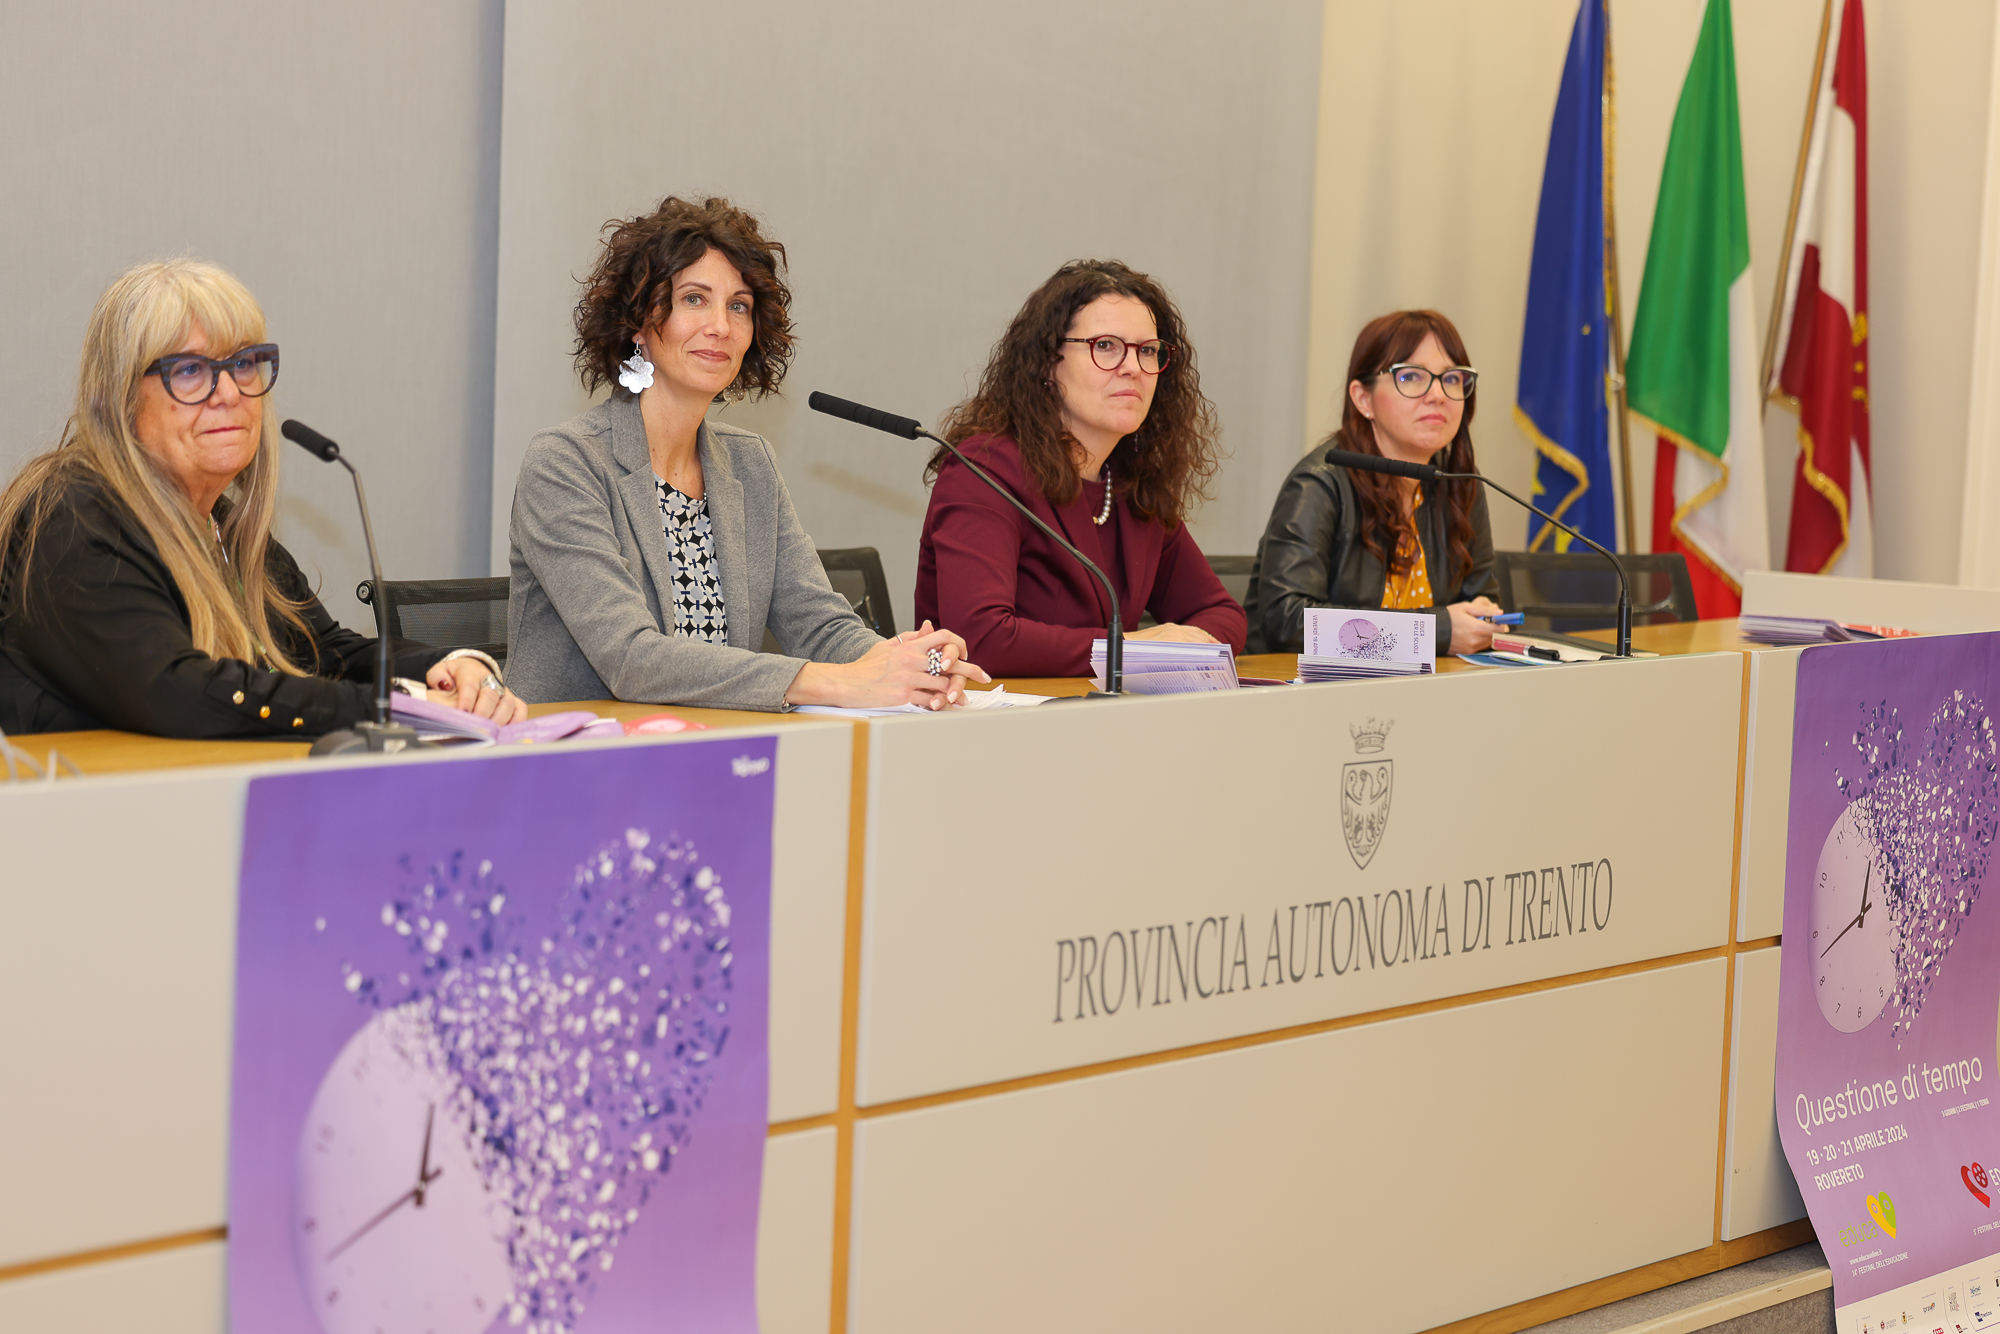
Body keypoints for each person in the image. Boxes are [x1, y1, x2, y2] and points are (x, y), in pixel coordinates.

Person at [0, 260, 524, 738]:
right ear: (119, 399)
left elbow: (325, 653)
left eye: (244, 363)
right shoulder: (70, 518)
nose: (229, 393)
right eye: (189, 370)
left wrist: (452, 667)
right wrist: (401, 705)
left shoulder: (221, 523)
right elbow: (178, 694)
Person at [507, 196, 986, 711]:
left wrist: (905, 665)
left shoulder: (750, 463)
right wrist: (839, 683)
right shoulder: (566, 462)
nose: (721, 325)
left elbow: (818, 626)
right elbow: (631, 659)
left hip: (720, 742)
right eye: (694, 299)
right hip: (581, 750)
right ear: (639, 322)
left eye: (739, 305)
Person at [915, 259, 1245, 677]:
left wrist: (1174, 646)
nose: (1132, 367)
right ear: (1047, 362)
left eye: (1147, 350)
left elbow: (1222, 614)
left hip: (1095, 710)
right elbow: (981, 640)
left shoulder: (1130, 485)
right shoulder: (985, 470)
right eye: (1105, 345)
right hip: (991, 713)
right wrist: (1132, 649)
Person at [1247, 310, 1502, 656]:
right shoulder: (1319, 483)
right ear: (1363, 398)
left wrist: (1485, 619)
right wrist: (1433, 633)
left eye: (1452, 378)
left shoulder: (1460, 483)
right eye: (1411, 376)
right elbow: (1288, 622)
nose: (1438, 394)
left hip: (1426, 683)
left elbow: (1481, 600)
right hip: (1309, 685)